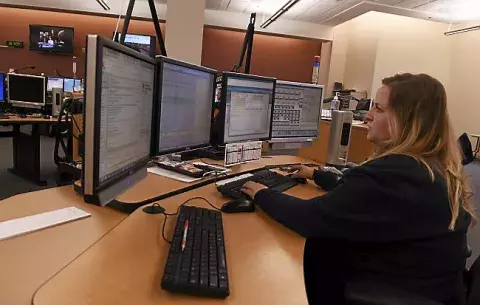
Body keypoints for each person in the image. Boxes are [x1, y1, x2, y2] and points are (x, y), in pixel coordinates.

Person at [241, 73, 477, 305]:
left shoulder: (397, 173)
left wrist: (261, 192)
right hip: (432, 286)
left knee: (305, 253)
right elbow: (369, 198)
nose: (369, 116)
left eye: (380, 109)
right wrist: (318, 174)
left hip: (393, 290)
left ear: (407, 121)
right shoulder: (429, 165)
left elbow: (309, 218)